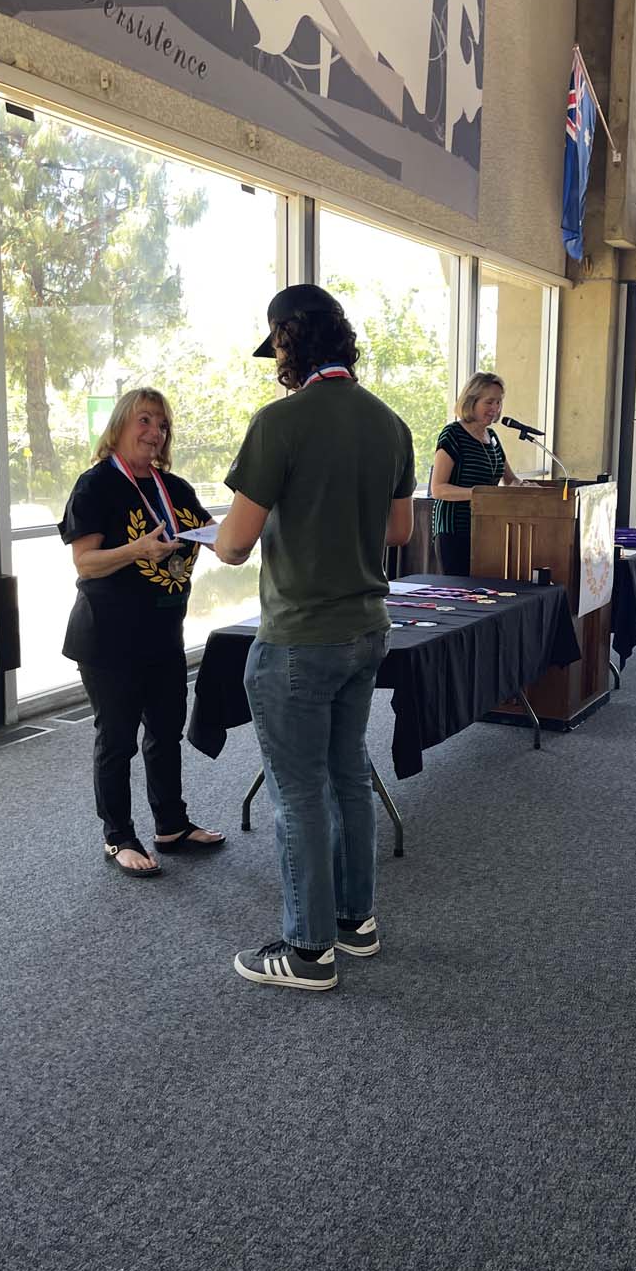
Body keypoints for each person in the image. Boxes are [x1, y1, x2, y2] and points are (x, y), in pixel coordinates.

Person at [214, 284, 416, 991]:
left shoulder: (280, 423)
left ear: (288, 344)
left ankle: (307, 952)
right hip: (367, 630)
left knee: (297, 795)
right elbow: (399, 532)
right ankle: (356, 924)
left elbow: (234, 544)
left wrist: (242, 529)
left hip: (299, 636)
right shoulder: (391, 423)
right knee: (348, 779)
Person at [58, 388, 226, 876]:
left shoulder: (175, 488)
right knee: (117, 740)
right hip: (109, 638)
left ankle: (171, 825)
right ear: (119, 426)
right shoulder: (96, 486)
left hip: (163, 634)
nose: (155, 433)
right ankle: (118, 837)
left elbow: (219, 536)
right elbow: (86, 563)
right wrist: (137, 550)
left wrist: (249, 527)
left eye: (163, 425)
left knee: (166, 732)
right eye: (145, 421)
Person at [429, 371, 522, 574]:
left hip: (487, 527)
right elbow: (438, 489)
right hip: (455, 530)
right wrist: (480, 494)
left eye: (498, 402)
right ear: (472, 401)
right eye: (489, 402)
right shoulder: (453, 434)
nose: (495, 408)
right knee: (462, 590)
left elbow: (510, 480)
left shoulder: (493, 437)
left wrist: (525, 487)